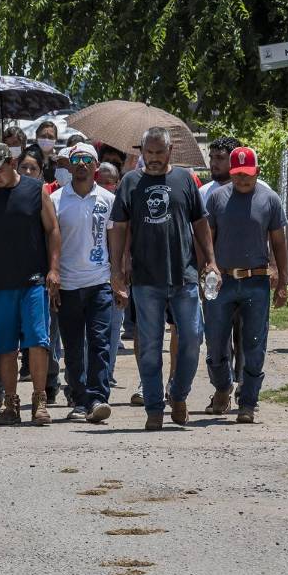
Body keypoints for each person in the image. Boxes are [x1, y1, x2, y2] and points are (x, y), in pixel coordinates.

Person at [109, 126, 219, 430]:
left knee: (192, 338)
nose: (154, 158)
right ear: (142, 153)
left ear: (170, 151)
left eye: (160, 152)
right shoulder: (131, 182)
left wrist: (210, 261)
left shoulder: (185, 179)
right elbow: (119, 227)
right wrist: (116, 269)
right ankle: (154, 407)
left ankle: (178, 394)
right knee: (150, 346)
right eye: (149, 152)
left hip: (183, 275)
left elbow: (200, 222)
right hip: (146, 279)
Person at [0, 143, 62, 426]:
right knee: (5, 346)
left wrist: (54, 269)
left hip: (33, 279)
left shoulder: (35, 189)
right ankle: (11, 402)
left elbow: (53, 229)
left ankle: (39, 399)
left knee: (37, 341)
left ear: (12, 162)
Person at [202, 147, 288, 423]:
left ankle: (248, 402)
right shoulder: (216, 199)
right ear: (230, 172)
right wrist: (208, 266)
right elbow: (206, 239)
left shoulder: (270, 199)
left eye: (247, 175)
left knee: (254, 344)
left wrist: (281, 277)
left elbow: (278, 241)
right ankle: (222, 386)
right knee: (215, 342)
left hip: (257, 281)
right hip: (222, 281)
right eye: (237, 174)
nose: (241, 180)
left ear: (256, 173)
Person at [49, 143, 114, 423]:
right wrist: (52, 276)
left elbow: (115, 240)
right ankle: (78, 399)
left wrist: (119, 278)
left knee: (99, 342)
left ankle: (98, 397)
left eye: (88, 159)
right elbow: (49, 241)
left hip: (100, 281)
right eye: (76, 160)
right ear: (69, 165)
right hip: (68, 284)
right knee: (73, 346)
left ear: (96, 166)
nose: (82, 164)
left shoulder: (108, 200)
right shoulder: (56, 200)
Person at [200, 136, 243, 205]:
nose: (213, 163)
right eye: (211, 157)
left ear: (235, 160)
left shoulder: (259, 190)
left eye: (220, 158)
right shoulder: (203, 193)